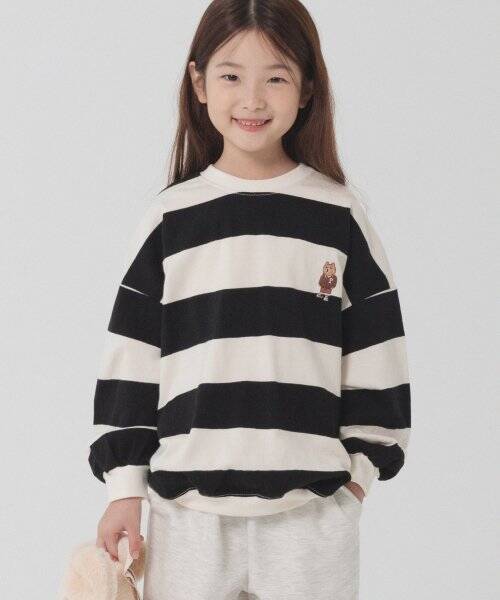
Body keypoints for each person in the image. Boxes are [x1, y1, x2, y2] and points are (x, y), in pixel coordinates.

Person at [87, 1, 412, 598]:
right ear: (199, 83)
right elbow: (133, 358)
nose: (253, 99)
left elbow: (376, 352)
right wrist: (124, 489)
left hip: (310, 518)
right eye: (232, 75)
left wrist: (357, 480)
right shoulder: (171, 217)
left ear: (307, 87)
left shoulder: (337, 215)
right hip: (188, 517)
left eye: (276, 77)